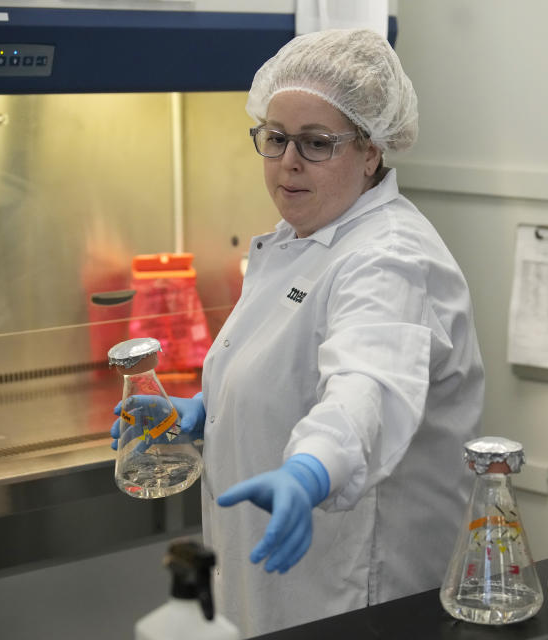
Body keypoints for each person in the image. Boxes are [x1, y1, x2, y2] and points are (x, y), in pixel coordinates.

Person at [112, 28, 484, 638]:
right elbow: (290, 362)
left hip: (356, 587)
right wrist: (208, 409)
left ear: (372, 151)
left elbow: (366, 388)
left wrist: (311, 469)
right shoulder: (302, 237)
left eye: (316, 143)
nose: (288, 161)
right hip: (279, 585)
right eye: (276, 137)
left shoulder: (389, 258)